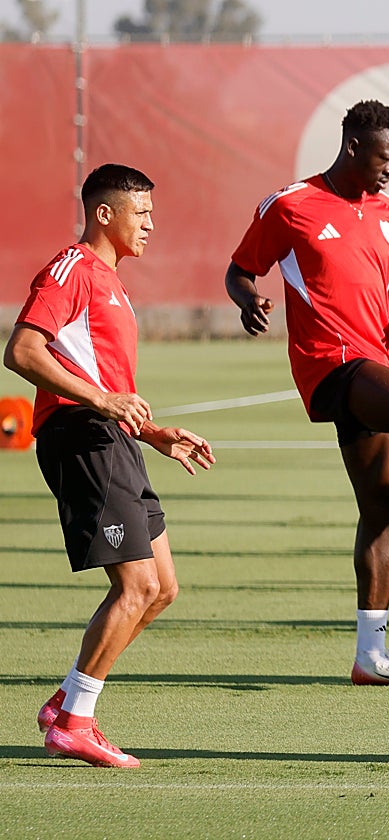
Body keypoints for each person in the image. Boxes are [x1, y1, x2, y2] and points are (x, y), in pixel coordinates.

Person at [224, 100, 389, 687]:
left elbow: (384, 282)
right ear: (352, 147)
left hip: (378, 357)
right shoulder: (290, 205)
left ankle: (371, 655)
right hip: (330, 363)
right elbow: (240, 270)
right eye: (384, 156)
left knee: (383, 505)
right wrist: (250, 301)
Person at [4, 164, 215, 768]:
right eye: (140, 212)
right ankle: (74, 722)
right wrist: (102, 404)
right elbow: (20, 350)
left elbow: (108, 382)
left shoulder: (112, 282)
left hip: (113, 437)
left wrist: (152, 432)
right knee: (137, 585)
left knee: (162, 589)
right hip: (82, 436)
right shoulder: (71, 269)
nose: (151, 223)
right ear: (104, 214)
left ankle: (68, 699)